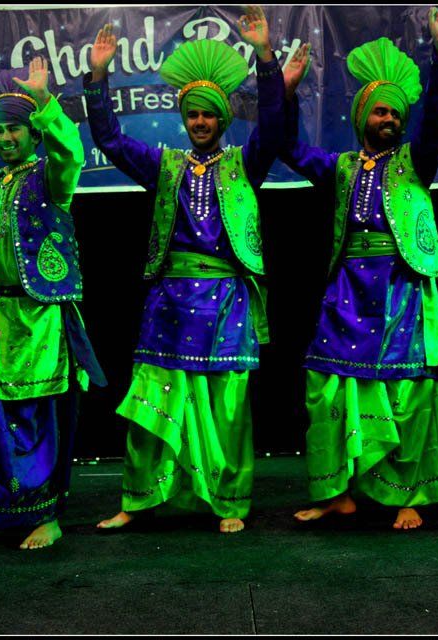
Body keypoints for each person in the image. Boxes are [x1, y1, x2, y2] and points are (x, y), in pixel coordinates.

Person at [83, 6, 284, 534]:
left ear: (221, 119)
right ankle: (138, 499)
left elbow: (277, 127)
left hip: (226, 301)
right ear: (184, 118)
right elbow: (108, 141)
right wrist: (99, 78)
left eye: (209, 115)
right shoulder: (164, 165)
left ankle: (229, 502)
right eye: (192, 115)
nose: (200, 123)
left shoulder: (245, 164)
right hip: (169, 300)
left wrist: (265, 58)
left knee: (229, 406)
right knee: (152, 400)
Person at [281, 6, 438, 529]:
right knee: (327, 385)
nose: (390, 120)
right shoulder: (338, 168)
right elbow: (288, 147)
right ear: (362, 117)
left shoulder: (414, 162)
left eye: (395, 114)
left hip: (400, 287)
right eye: (380, 113)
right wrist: (284, 92)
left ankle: (410, 493)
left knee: (408, 388)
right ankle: (338, 492)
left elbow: (435, 120)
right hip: (346, 292)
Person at [0, 56, 105, 550]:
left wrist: (45, 101)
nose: (7, 139)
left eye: (16, 129)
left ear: (32, 133)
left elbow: (71, 152)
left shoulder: (51, 178)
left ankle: (47, 515)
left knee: (36, 417)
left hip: (38, 316)